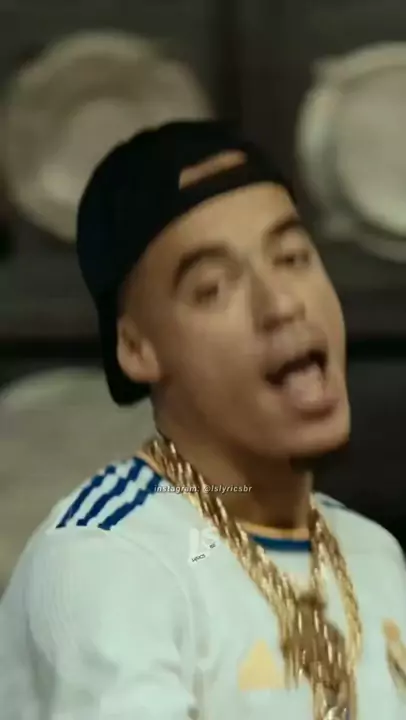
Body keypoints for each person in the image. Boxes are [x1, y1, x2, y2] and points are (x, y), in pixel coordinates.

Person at [1, 120, 406, 720]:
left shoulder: (373, 555)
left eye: (293, 258)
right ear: (137, 348)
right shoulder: (114, 560)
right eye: (213, 288)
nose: (281, 303)